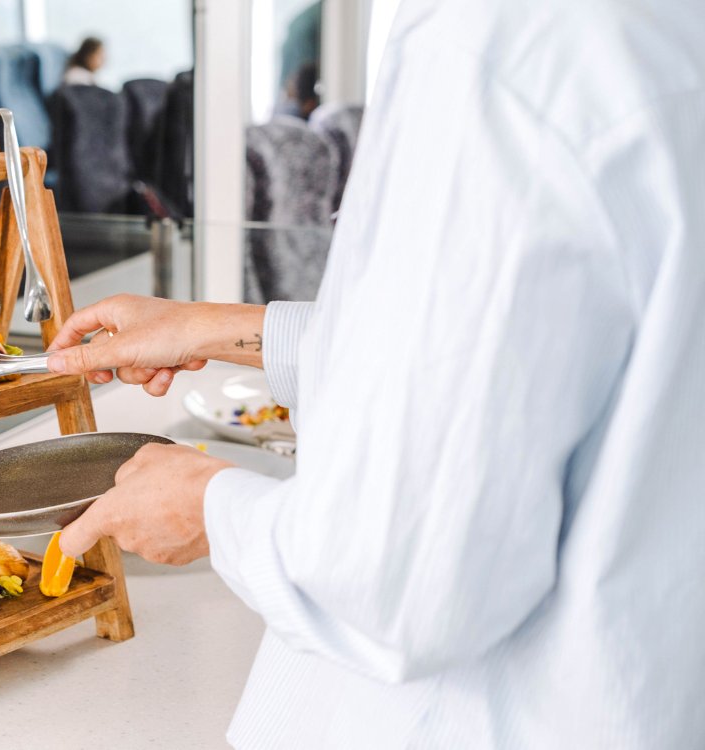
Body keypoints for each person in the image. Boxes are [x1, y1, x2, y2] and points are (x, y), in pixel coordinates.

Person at [44, 0, 705, 747]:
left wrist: (208, 507)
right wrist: (218, 328)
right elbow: (511, 353)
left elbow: (404, 583)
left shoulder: (497, 46)